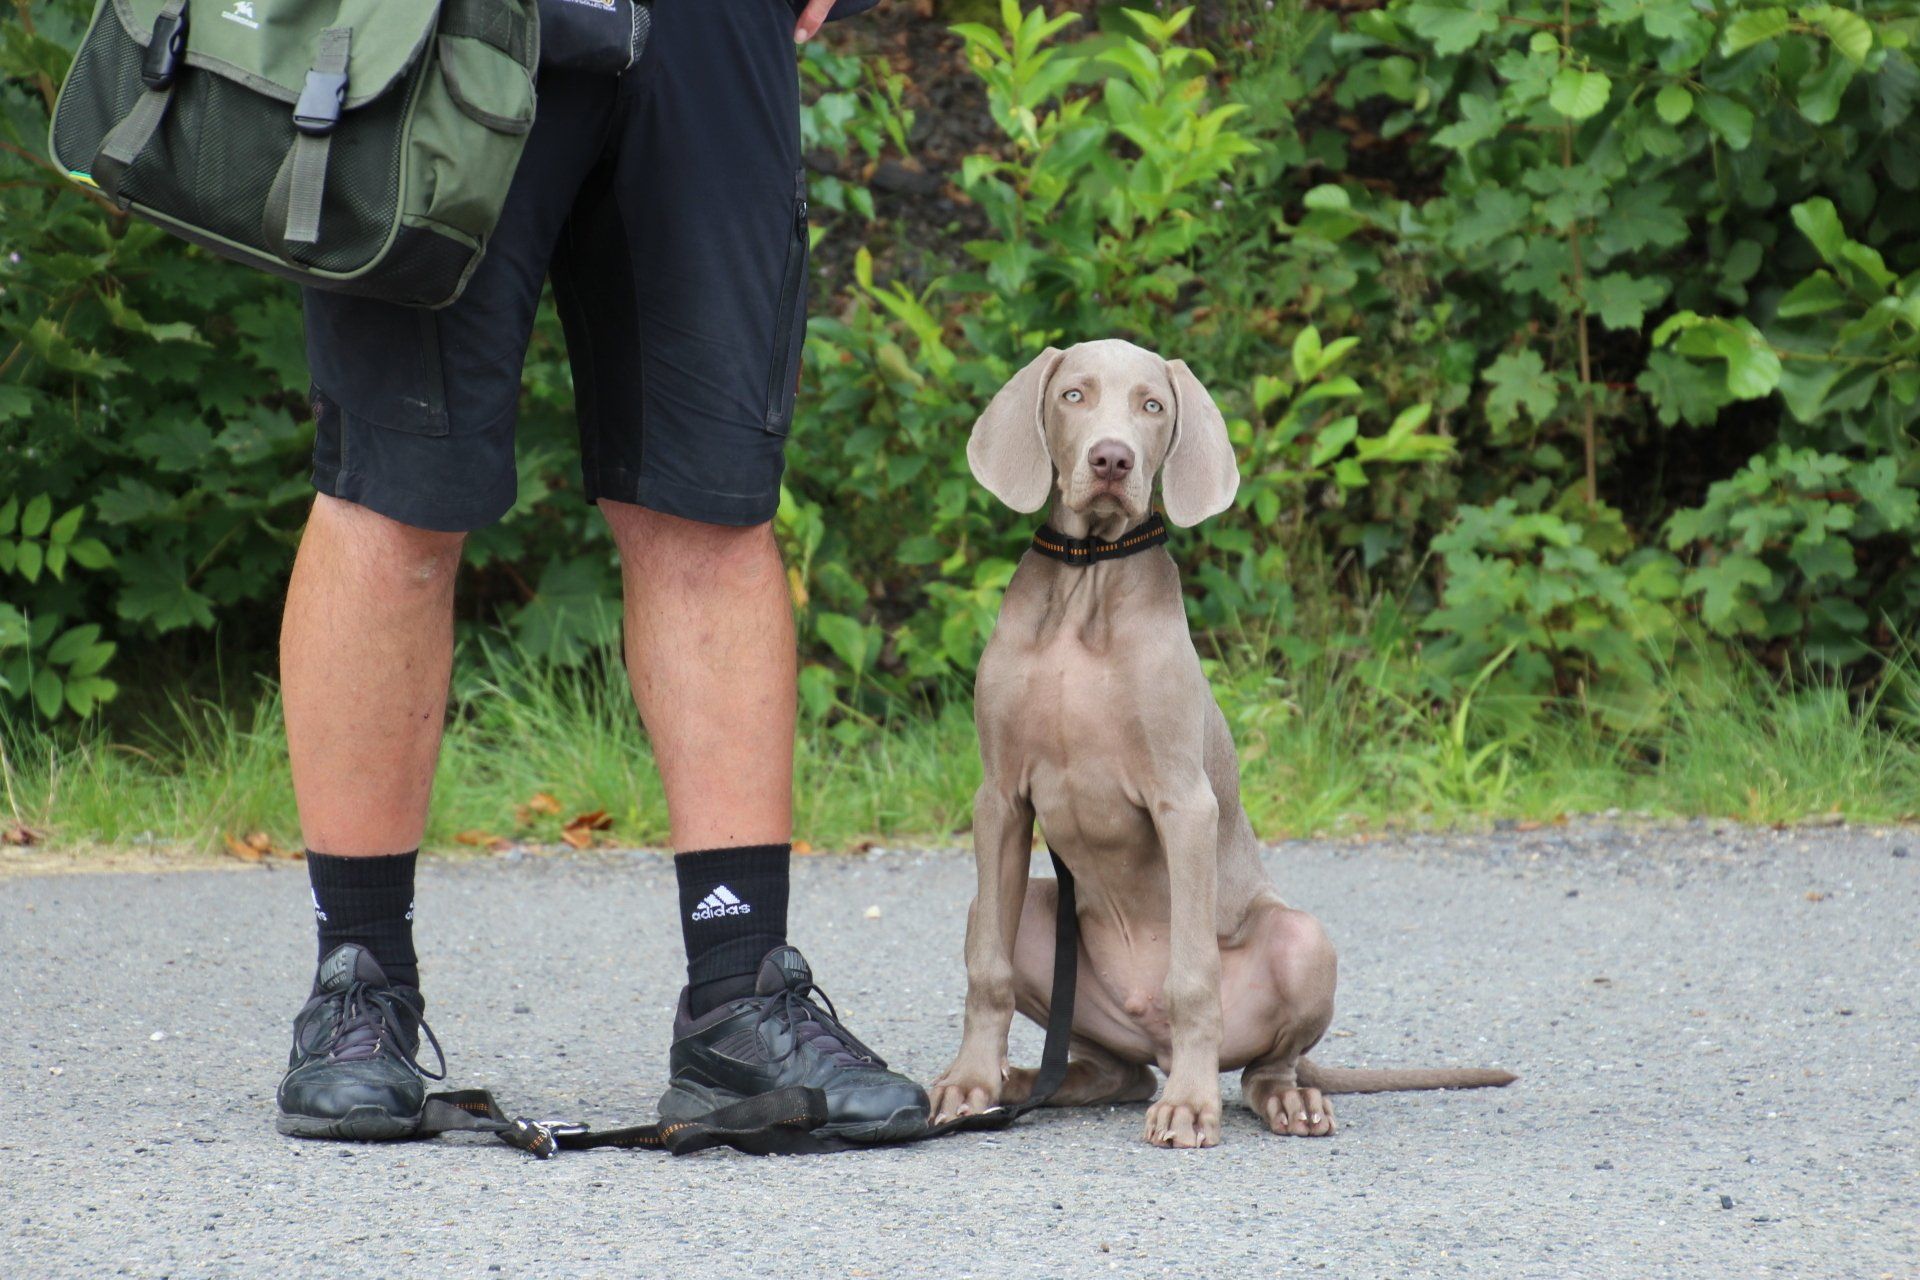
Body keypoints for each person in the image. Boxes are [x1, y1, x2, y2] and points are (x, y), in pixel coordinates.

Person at [273, 0, 925, 1146]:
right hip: (442, 18)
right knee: (392, 487)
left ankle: (739, 997)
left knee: (710, 494)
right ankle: (357, 983)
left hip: (710, 27)